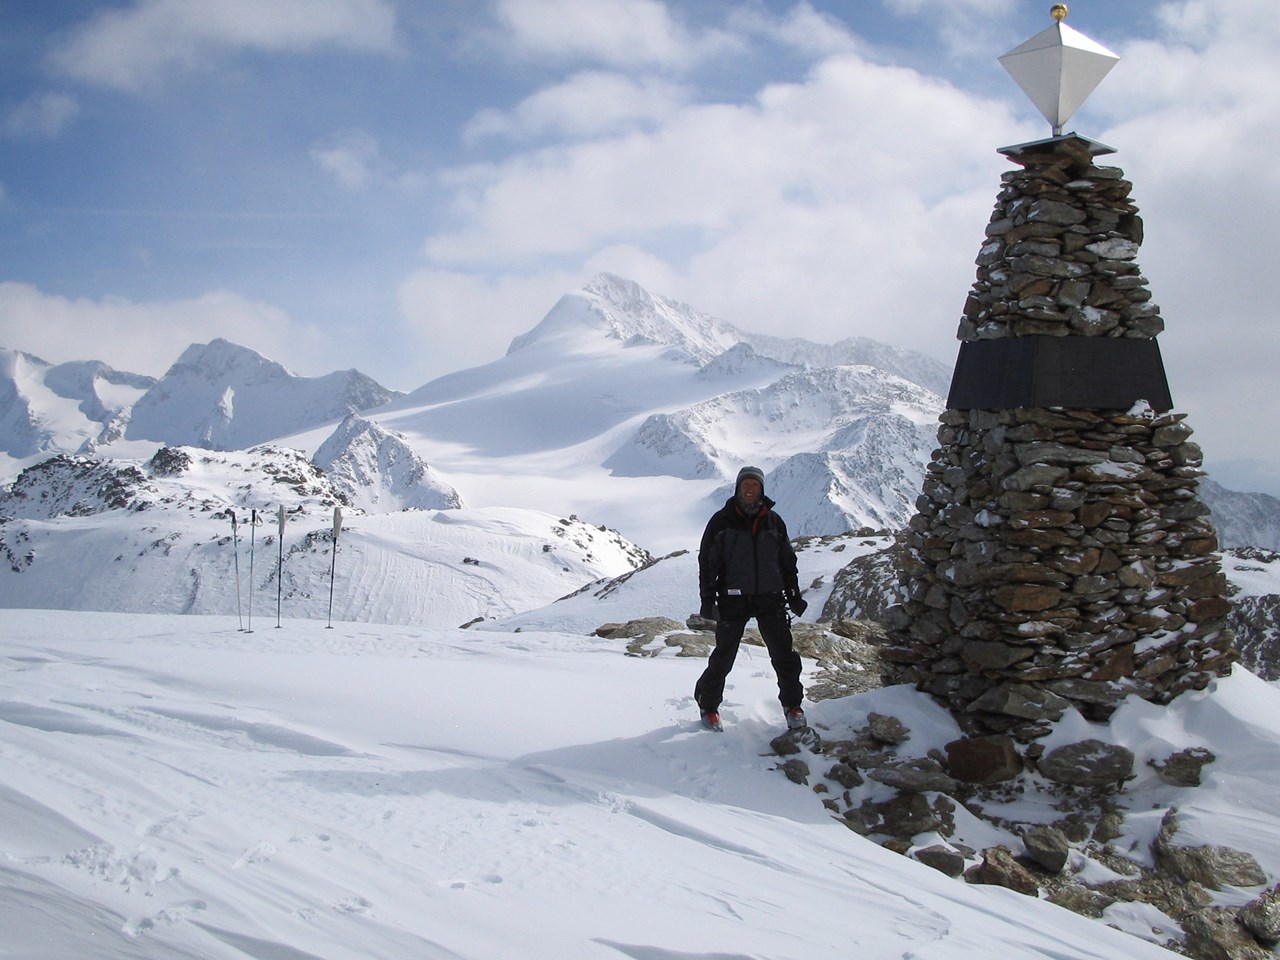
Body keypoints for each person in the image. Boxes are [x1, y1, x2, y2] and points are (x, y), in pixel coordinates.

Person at [695, 465, 808, 731]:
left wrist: (793, 594)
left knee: (784, 655)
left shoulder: (774, 521)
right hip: (733, 599)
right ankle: (708, 705)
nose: (749, 489)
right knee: (724, 656)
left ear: (761, 489)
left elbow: (787, 561)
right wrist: (707, 599)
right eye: (745, 484)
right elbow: (707, 562)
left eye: (755, 485)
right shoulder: (721, 521)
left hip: (770, 597)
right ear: (737, 488)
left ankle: (793, 705)